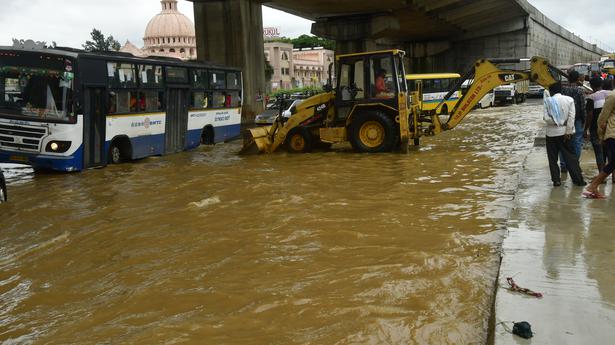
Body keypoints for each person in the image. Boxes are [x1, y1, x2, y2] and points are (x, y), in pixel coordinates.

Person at [544, 82, 586, 187]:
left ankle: (556, 181)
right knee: (570, 158)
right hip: (565, 133)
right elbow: (572, 117)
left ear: (551, 91)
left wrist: (557, 122)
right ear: (561, 90)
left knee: (552, 159)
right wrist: (567, 130)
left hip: (551, 134)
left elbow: (546, 118)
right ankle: (578, 180)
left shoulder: (548, 101)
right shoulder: (569, 100)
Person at [584, 91, 615, 198]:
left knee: (612, 163)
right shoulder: (612, 97)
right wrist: (601, 136)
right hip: (612, 134)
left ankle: (592, 187)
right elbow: (601, 120)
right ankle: (592, 187)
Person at [560, 70, 586, 172]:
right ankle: (575, 163)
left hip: (565, 120)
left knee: (564, 142)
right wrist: (584, 120)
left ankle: (563, 165)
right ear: (578, 79)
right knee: (577, 142)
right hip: (577, 119)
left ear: (568, 78)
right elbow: (583, 107)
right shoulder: (580, 90)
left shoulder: (563, 90)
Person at [585, 77, 610, 175]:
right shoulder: (610, 94)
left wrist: (585, 129)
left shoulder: (591, 97)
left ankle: (601, 175)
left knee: (599, 152)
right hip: (610, 127)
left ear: (591, 86)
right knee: (611, 151)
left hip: (595, 128)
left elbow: (590, 115)